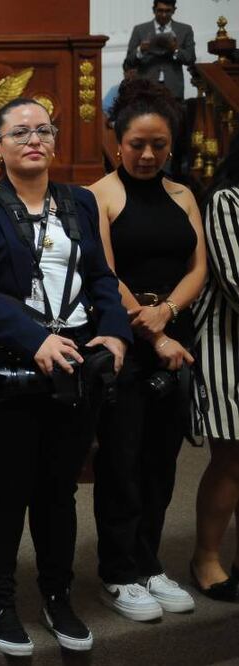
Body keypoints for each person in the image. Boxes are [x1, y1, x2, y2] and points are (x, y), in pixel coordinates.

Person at [0, 98, 130, 657]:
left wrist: (118, 333)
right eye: (20, 132)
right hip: (3, 368)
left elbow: (102, 278)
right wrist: (35, 339)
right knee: (5, 489)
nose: (34, 139)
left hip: (74, 364)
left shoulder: (77, 201)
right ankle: (1, 601)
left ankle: (57, 595)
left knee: (58, 490)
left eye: (44, 130)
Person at [90, 79, 206, 622]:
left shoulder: (184, 194)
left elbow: (198, 268)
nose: (147, 154)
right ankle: (117, 571)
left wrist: (169, 319)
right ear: (118, 141)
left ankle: (149, 561)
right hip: (126, 342)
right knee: (122, 460)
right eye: (137, 143)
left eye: (159, 145)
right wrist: (152, 329)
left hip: (176, 340)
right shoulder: (100, 194)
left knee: (162, 461)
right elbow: (105, 273)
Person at [191, 133, 239, 604]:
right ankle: (205, 557)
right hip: (227, 346)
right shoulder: (226, 199)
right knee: (231, 457)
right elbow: (234, 277)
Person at [125, 0, 195, 100]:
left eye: (168, 11)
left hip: (173, 89)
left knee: (174, 115)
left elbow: (191, 58)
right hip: (146, 88)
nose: (163, 14)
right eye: (160, 10)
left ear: (174, 10)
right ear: (154, 10)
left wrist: (175, 49)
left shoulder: (185, 30)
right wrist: (141, 50)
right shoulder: (140, 30)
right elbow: (129, 61)